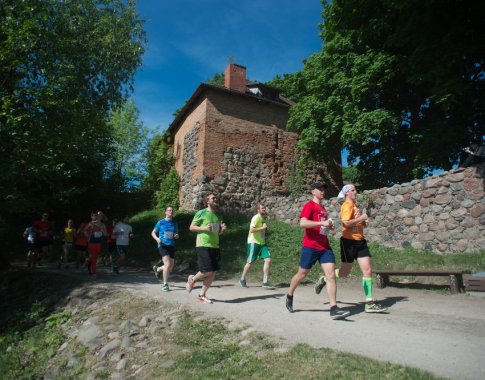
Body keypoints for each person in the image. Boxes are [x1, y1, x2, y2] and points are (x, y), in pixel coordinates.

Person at [315, 184, 387, 313]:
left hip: (360, 241)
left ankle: (369, 302)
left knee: (367, 271)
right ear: (347, 193)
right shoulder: (346, 206)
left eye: (355, 189)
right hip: (348, 242)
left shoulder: (355, 205)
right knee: (345, 272)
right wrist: (362, 218)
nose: (356, 191)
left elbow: (354, 222)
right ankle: (325, 279)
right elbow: (345, 223)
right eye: (353, 190)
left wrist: (362, 223)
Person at [285, 183, 349, 320]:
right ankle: (290, 294)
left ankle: (334, 308)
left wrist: (328, 226)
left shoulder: (322, 208)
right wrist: (321, 223)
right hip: (310, 247)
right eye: (320, 189)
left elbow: (322, 226)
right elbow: (302, 223)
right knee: (302, 274)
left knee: (331, 276)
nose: (323, 191)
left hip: (324, 247)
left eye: (323, 189)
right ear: (313, 191)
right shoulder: (309, 205)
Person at [185, 193, 227, 304]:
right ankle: (192, 279)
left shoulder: (218, 216)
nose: (216, 199)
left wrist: (222, 229)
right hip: (203, 244)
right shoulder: (201, 213)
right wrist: (204, 228)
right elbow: (192, 227)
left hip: (215, 245)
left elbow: (218, 232)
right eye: (213, 198)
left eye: (216, 198)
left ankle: (202, 294)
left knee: (213, 272)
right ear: (207, 201)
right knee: (206, 270)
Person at [239, 204, 275, 289]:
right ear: (258, 210)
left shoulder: (262, 219)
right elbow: (251, 230)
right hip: (254, 243)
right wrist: (262, 228)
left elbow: (262, 230)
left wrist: (265, 230)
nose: (264, 209)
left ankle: (265, 282)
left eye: (265, 208)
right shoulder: (256, 218)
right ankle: (242, 279)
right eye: (262, 208)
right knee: (250, 262)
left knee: (268, 260)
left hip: (262, 243)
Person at [151, 206, 179, 292]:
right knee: (167, 264)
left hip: (171, 245)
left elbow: (176, 234)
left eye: (172, 210)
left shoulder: (174, 223)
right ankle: (165, 284)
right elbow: (153, 232)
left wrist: (176, 236)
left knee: (170, 267)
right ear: (165, 212)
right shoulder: (161, 222)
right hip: (162, 245)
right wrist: (157, 239)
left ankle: (158, 269)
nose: (171, 211)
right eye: (169, 210)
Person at [84, 212, 107, 278]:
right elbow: (85, 230)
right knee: (94, 256)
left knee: (95, 256)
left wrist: (102, 231)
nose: (100, 216)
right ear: (97, 215)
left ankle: (88, 262)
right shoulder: (92, 223)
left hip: (98, 242)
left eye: (101, 215)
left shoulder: (103, 225)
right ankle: (93, 272)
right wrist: (87, 236)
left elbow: (105, 235)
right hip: (91, 241)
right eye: (99, 214)